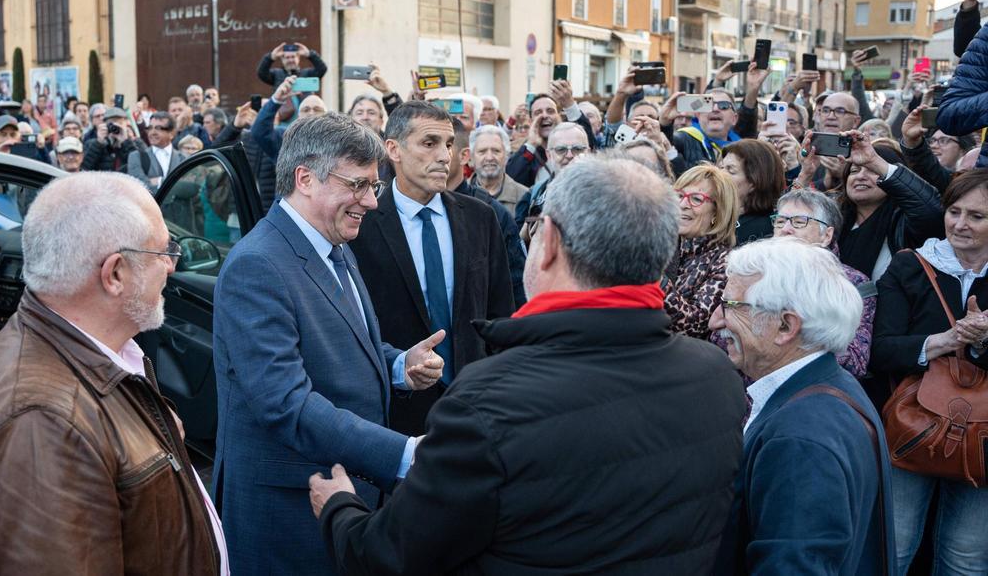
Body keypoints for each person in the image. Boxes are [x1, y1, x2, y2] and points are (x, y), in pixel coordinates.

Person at [309, 157, 747, 575]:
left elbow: (389, 555)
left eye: (535, 231)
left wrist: (339, 508)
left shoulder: (488, 401)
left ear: (550, 242)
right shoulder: (716, 376)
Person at [0, 173, 227, 574]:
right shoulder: (42, 424)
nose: (171, 265)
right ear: (114, 274)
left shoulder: (91, 349)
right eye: (163, 251)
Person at [211, 113, 447, 575]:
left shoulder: (333, 243)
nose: (371, 203)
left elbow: (345, 342)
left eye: (373, 187)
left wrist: (400, 365)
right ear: (305, 179)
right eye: (358, 185)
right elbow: (286, 403)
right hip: (288, 511)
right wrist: (402, 455)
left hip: (336, 498)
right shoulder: (257, 267)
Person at [710, 237, 893, 576]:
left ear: (785, 326)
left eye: (730, 305)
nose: (716, 322)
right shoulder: (829, 389)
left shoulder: (801, 438)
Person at [348, 102, 515, 435]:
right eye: (429, 143)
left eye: (449, 144)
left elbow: (500, 316)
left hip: (473, 407)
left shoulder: (481, 217)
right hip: (393, 413)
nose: (444, 155)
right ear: (392, 149)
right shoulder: (359, 224)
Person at [870, 169, 988, 574]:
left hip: (985, 435)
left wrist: (983, 342)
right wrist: (950, 339)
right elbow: (881, 350)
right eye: (954, 211)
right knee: (894, 551)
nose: (960, 224)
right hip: (913, 423)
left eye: (976, 216)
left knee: (966, 559)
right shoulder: (911, 266)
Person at [798, 131, 945, 282]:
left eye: (873, 170)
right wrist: (805, 174)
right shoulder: (832, 214)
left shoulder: (903, 222)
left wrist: (874, 160)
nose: (861, 176)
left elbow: (932, 211)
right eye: (854, 170)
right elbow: (787, 222)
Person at [773, 190, 875, 378]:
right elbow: (722, 338)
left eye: (799, 221)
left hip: (811, 391)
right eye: (780, 221)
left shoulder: (853, 285)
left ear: (826, 235)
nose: (785, 229)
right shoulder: (753, 273)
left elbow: (856, 362)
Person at [445, 118, 527, 307]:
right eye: (428, 145)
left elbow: (515, 286)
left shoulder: (495, 213)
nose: (439, 155)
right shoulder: (421, 209)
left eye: (447, 146)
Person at [665, 165, 738, 339]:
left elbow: (695, 325)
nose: (683, 205)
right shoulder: (658, 242)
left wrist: (653, 279)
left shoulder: (725, 262)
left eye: (695, 199)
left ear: (718, 212)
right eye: (679, 195)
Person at [514, 122, 592, 243]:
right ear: (549, 155)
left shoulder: (606, 193)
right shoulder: (533, 195)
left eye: (578, 149)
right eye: (561, 150)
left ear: (588, 152)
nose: (570, 155)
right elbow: (517, 248)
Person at [720, 139, 785, 245]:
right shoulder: (711, 215)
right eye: (721, 168)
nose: (719, 174)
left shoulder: (767, 231)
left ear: (754, 182)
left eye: (730, 171)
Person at [468, 124, 528, 215]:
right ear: (471, 157)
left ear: (506, 156)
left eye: (496, 151)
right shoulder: (455, 195)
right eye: (482, 151)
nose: (489, 157)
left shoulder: (525, 196)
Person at [127, 111, 184, 192]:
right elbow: (138, 187)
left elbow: (188, 188)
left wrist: (158, 181)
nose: (152, 133)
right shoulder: (136, 156)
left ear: (171, 133)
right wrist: (174, 183)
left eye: (158, 128)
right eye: (150, 128)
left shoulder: (183, 158)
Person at [82, 107, 139, 173]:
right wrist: (99, 143)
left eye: (120, 123)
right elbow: (84, 168)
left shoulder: (136, 142)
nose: (115, 127)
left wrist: (125, 142)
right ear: (104, 125)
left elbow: (139, 166)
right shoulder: (92, 144)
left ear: (127, 124)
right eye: (111, 124)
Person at [257, 41, 328, 87]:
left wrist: (309, 54)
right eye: (287, 57)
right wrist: (271, 57)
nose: (290, 60)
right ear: (282, 59)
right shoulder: (276, 75)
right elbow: (262, 73)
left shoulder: (307, 74)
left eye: (293, 57)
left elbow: (322, 69)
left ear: (298, 58)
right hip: (282, 109)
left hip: (303, 109)